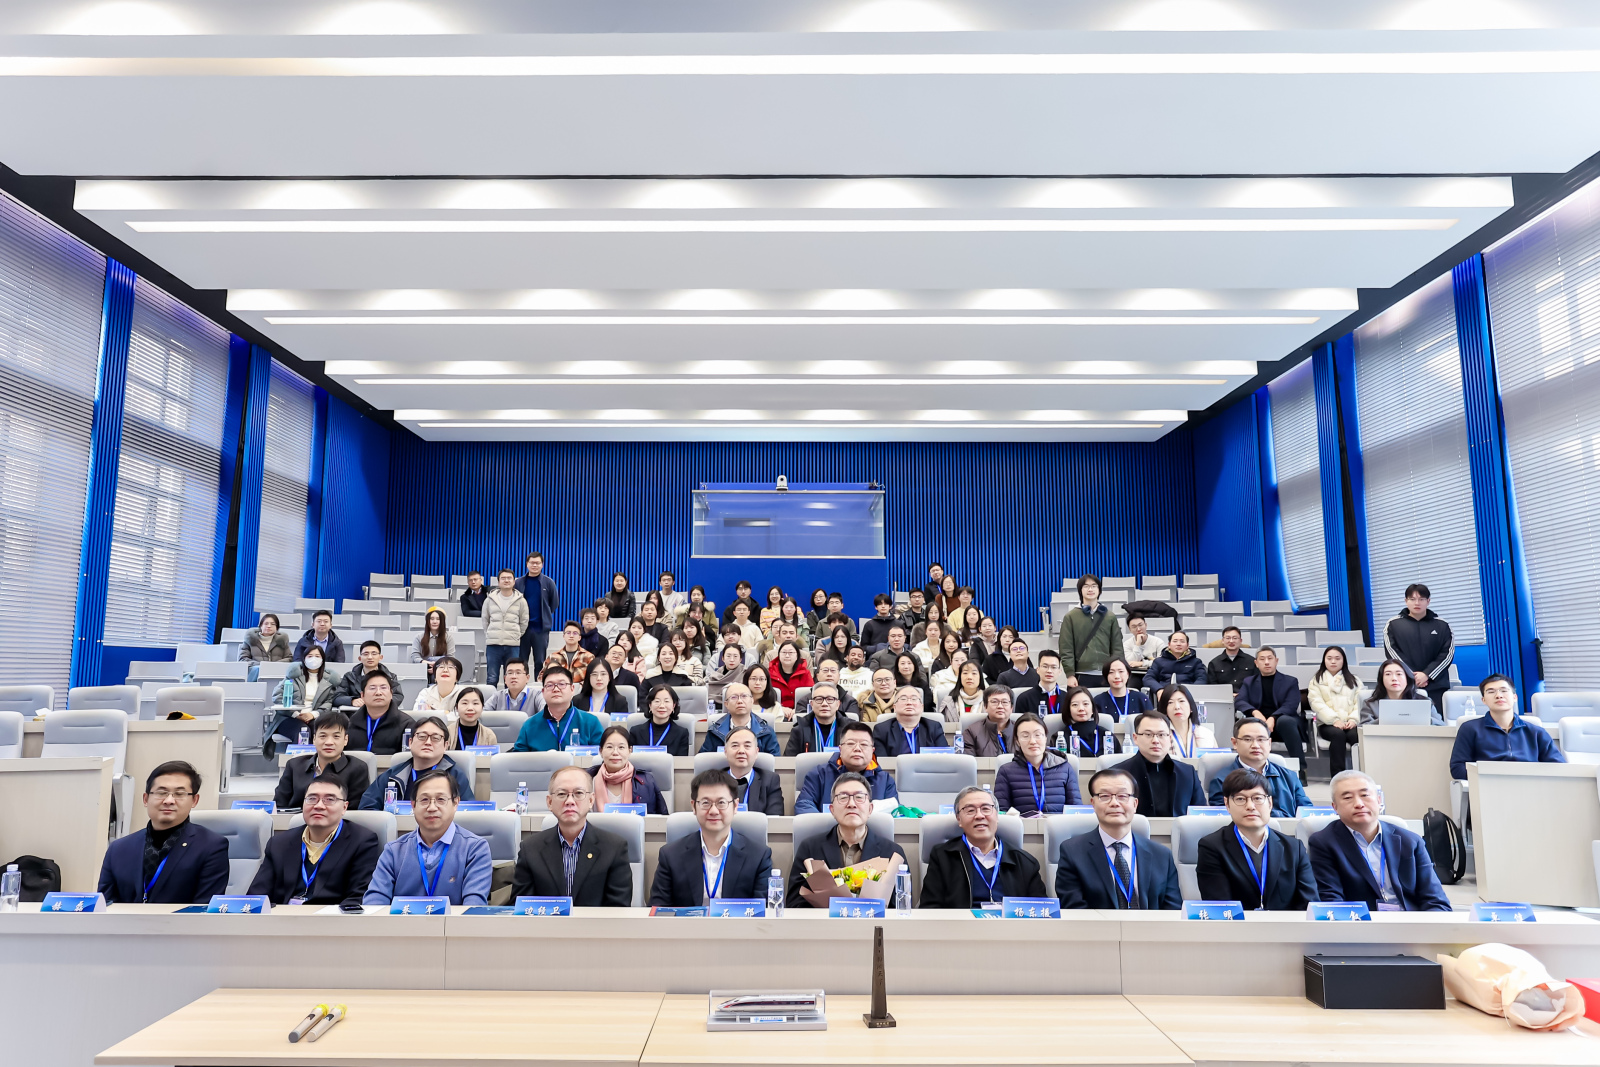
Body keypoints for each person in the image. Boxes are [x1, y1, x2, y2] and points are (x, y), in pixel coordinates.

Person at [1309, 770, 1452, 912]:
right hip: (1362, 922)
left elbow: (1436, 900)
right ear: (1335, 807)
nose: (1358, 804)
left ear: (1379, 801)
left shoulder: (1410, 841)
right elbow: (1332, 902)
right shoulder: (1324, 843)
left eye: (1365, 795)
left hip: (1410, 920)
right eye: (1347, 798)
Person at [98, 761, 229, 904]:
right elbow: (105, 906)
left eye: (179, 794)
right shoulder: (118, 849)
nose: (169, 800)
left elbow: (204, 908)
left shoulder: (211, 847)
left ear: (194, 800)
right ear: (146, 799)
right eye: (161, 793)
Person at [1055, 766, 1182, 911]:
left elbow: (1173, 910)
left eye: (1122, 796)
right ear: (1093, 804)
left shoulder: (1162, 855)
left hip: (1151, 926)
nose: (1114, 803)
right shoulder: (1072, 852)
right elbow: (1074, 909)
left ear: (1135, 804)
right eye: (1104, 796)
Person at [507, 764, 634, 906]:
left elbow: (618, 908)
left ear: (591, 800)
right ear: (550, 802)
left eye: (578, 793)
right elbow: (521, 907)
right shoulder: (530, 849)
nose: (570, 801)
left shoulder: (614, 848)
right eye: (562, 794)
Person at [363, 769, 493, 907]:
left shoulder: (475, 849)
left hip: (454, 922)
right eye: (424, 800)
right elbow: (374, 905)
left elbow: (473, 908)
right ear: (413, 805)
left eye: (441, 799)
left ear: (456, 803)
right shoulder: (393, 851)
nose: (432, 807)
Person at [250, 774, 381, 907]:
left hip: (331, 917)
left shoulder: (362, 841)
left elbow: (358, 897)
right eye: (312, 799)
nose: (319, 806)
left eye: (329, 799)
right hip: (283, 917)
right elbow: (256, 896)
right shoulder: (279, 843)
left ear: (344, 807)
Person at [1196, 768, 1318, 910]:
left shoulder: (1294, 848)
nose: (1250, 806)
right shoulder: (1212, 847)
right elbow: (1220, 906)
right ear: (1227, 804)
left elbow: (1309, 904)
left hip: (1285, 924)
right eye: (1240, 799)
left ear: (1270, 803)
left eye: (1258, 798)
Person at [649, 769, 774, 906]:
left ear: (735, 806)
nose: (713, 811)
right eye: (705, 803)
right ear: (694, 806)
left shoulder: (758, 856)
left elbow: (762, 911)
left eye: (721, 803)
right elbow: (658, 909)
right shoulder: (671, 855)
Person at [786, 771, 900, 908]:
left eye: (859, 797)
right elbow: (794, 904)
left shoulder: (892, 853)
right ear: (832, 810)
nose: (851, 804)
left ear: (870, 809)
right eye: (843, 797)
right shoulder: (810, 848)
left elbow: (901, 905)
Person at [920, 785, 1046, 908]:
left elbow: (1041, 911)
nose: (979, 816)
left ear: (997, 816)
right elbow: (929, 909)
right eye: (970, 810)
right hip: (960, 922)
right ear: (959, 819)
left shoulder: (1025, 862)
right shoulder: (942, 857)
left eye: (986, 809)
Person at [1450, 673, 1565, 780]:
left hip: (1530, 786)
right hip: (1488, 787)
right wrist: (1492, 778)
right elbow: (1457, 768)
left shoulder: (1536, 732)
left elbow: (1558, 767)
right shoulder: (1470, 729)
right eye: (1491, 692)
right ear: (1483, 700)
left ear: (1515, 697)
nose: (1498, 695)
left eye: (1504, 691)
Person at [359, 715, 475, 808]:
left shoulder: (455, 776)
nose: (428, 742)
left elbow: (466, 813)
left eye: (435, 738)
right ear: (410, 742)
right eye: (422, 736)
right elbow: (368, 808)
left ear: (445, 746)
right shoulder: (393, 775)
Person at [1205, 718, 1312, 816]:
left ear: (1269, 743)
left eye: (1261, 739)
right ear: (1235, 743)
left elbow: (1306, 812)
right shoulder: (1221, 780)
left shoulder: (1289, 777)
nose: (1255, 745)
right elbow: (1224, 818)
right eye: (1247, 739)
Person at [794, 720, 899, 814]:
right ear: (840, 749)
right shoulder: (819, 774)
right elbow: (804, 805)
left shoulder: (885, 780)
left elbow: (895, 812)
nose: (857, 749)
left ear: (872, 751)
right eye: (851, 744)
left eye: (864, 744)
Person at [274, 710, 372, 810]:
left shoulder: (357, 768)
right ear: (314, 739)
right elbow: (279, 805)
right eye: (323, 736)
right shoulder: (294, 765)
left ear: (345, 740)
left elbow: (355, 810)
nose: (329, 742)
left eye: (336, 736)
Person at [1384, 583, 1454, 714]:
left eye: (1421, 599)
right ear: (1406, 601)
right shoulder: (1393, 624)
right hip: (1404, 685)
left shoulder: (1442, 625)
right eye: (1412, 599)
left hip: (1436, 685)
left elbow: (1447, 654)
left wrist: (1426, 674)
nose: (1417, 603)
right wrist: (1411, 675)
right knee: (1405, 722)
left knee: (1436, 722)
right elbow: (1392, 652)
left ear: (1428, 601)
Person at [1120, 712, 1206, 817]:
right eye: (1148, 734)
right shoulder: (1119, 774)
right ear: (1135, 738)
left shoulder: (1187, 773)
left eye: (1161, 735)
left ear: (1170, 738)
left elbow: (1200, 814)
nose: (1155, 740)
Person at [993, 713, 1081, 815]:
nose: (1032, 741)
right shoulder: (1006, 771)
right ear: (1017, 741)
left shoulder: (1065, 768)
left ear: (1045, 738)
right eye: (1025, 736)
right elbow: (1001, 813)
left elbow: (1076, 811)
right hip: (1022, 825)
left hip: (1058, 825)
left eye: (1038, 735)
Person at [1232, 646, 1306, 767]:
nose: (1266, 662)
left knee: (1285, 721)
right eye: (1262, 659)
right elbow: (1240, 700)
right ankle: (1246, 768)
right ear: (1256, 663)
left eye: (1270, 658)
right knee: (1246, 725)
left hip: (1284, 725)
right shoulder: (1249, 681)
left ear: (1276, 661)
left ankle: (1300, 768)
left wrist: (1273, 718)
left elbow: (1291, 705)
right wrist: (1255, 712)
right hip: (1258, 724)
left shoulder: (1290, 681)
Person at [264, 646, 340, 757]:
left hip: (315, 717)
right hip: (288, 718)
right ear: (304, 659)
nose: (313, 659)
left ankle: (321, 763)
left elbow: (329, 702)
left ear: (323, 659)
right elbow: (277, 697)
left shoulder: (329, 680)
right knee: (302, 731)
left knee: (321, 732)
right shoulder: (293, 675)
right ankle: (299, 764)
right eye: (310, 656)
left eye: (317, 656)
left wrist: (312, 715)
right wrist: (296, 714)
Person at [512, 667, 606, 752]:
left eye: (562, 684)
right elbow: (519, 759)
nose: (556, 689)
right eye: (550, 685)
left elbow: (601, 756)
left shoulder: (591, 722)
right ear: (543, 692)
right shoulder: (529, 725)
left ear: (572, 689)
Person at [1058, 574, 1124, 687]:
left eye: (1094, 586)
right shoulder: (1071, 617)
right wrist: (1070, 674)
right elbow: (1066, 648)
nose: (1090, 589)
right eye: (1086, 586)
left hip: (1107, 673)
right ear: (1080, 590)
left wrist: (1117, 671)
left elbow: (1117, 647)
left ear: (1099, 590)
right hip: (1081, 674)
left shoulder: (1110, 616)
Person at [1309, 646, 1366, 776]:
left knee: (1356, 736)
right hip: (1327, 724)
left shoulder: (1354, 680)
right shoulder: (1316, 680)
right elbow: (1316, 703)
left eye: (1337, 658)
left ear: (1343, 660)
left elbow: (1360, 702)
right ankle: (1338, 776)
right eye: (1329, 658)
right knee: (1338, 735)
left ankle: (1362, 773)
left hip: (1350, 723)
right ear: (1324, 660)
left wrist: (1353, 719)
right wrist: (1334, 720)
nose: (1333, 661)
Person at [588, 726, 670, 813]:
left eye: (621, 747)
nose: (615, 752)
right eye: (609, 747)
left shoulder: (647, 782)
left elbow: (660, 817)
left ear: (630, 750)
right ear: (601, 751)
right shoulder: (588, 780)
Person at [700, 682, 781, 756]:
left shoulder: (766, 732)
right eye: (734, 697)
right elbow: (704, 761)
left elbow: (774, 763)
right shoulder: (715, 731)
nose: (739, 701)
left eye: (744, 696)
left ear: (752, 701)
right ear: (726, 704)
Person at [484, 568, 530, 686]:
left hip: (512, 645)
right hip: (493, 644)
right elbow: (485, 620)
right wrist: (491, 634)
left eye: (509, 578)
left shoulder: (521, 600)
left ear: (514, 581)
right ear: (498, 582)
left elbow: (524, 621)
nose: (506, 580)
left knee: (511, 678)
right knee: (492, 677)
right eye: (503, 578)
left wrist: (516, 635)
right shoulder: (489, 599)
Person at [724, 726, 785, 816]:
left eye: (747, 746)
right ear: (725, 752)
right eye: (735, 746)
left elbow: (774, 819)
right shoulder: (713, 781)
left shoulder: (770, 781)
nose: (741, 751)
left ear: (756, 752)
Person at [872, 686, 948, 757]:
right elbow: (881, 761)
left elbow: (945, 757)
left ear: (922, 707)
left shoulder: (934, 727)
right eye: (903, 699)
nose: (909, 703)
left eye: (914, 699)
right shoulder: (882, 730)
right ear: (894, 707)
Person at [329, 640, 404, 710]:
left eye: (374, 654)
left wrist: (379, 701)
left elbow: (398, 696)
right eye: (366, 654)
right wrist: (352, 700)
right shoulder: (350, 677)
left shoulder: (390, 677)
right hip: (355, 714)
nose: (370, 657)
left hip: (382, 713)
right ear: (360, 658)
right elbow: (336, 698)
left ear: (380, 657)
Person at [346, 671, 410, 754]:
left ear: (391, 694)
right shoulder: (350, 724)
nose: (378, 693)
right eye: (372, 688)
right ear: (362, 695)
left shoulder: (407, 725)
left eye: (383, 688)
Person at [516, 551, 560, 669]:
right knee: (521, 661)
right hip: (522, 629)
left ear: (542, 565)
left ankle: (539, 680)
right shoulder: (518, 582)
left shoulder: (548, 582)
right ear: (527, 564)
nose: (534, 565)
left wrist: (544, 615)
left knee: (540, 661)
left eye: (537, 563)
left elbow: (554, 603)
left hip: (541, 629)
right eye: (532, 563)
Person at [785, 681, 848, 755]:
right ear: (812, 704)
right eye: (819, 699)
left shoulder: (850, 729)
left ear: (838, 704)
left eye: (830, 699)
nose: (824, 704)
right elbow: (789, 759)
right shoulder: (799, 730)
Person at [630, 684, 691, 755]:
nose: (662, 706)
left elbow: (681, 760)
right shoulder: (635, 732)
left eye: (666, 701)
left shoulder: (681, 733)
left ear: (673, 705)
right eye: (657, 701)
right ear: (650, 705)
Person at [1158, 684, 1215, 760]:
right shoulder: (1158, 736)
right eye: (1170, 702)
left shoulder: (1206, 734)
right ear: (1165, 710)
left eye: (1181, 701)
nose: (1177, 707)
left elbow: (1215, 764)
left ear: (1191, 707)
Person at [1063, 685, 1118, 757]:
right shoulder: (1060, 737)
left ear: (1092, 709)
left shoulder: (1107, 735)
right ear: (1068, 710)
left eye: (1085, 704)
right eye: (1075, 705)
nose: (1081, 708)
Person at [1014, 649, 1070, 719]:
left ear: (1060, 671)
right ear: (1038, 670)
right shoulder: (1025, 698)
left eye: (1053, 667)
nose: (1049, 671)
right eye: (1045, 666)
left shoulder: (1067, 698)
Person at [1142, 630, 1206, 692]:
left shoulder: (1196, 662)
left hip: (1188, 694)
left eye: (1182, 641)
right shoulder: (1158, 661)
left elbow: (1202, 679)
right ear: (1169, 645)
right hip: (1165, 693)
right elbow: (1148, 678)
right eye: (1175, 641)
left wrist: (1192, 691)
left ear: (1187, 645)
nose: (1178, 644)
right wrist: (1159, 690)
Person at [1093, 657, 1151, 723]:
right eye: (1111, 672)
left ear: (1128, 674)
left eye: (1121, 671)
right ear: (1106, 676)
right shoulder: (1098, 701)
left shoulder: (1141, 699)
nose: (1117, 676)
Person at [962, 685, 1016, 756]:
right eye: (994, 702)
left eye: (1004, 702)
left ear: (1011, 707)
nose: (1000, 706)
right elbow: (969, 761)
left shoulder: (1020, 730)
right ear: (985, 706)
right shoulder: (971, 732)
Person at [768, 641, 814, 713]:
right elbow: (765, 696)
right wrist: (780, 709)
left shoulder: (805, 673)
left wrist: (797, 710)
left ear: (797, 655)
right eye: (784, 652)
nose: (787, 656)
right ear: (779, 655)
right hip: (775, 711)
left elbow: (811, 695)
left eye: (791, 652)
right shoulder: (770, 673)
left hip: (800, 711)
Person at [706, 642, 749, 707]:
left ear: (740, 659)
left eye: (735, 656)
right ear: (723, 659)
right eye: (728, 656)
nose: (732, 660)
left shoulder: (746, 674)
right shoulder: (715, 675)